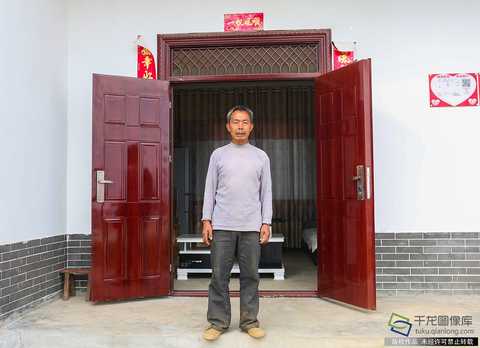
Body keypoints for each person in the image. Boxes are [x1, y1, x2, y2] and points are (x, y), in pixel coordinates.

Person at [201, 105, 272, 341]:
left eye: (244, 122)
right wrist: (206, 220)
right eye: (235, 122)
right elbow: (209, 189)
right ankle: (217, 323)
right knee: (218, 276)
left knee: (250, 275)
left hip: (251, 226)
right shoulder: (218, 155)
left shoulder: (261, 156)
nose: (240, 126)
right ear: (228, 126)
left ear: (251, 127)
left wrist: (266, 222)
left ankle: (249, 321)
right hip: (222, 225)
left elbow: (266, 193)